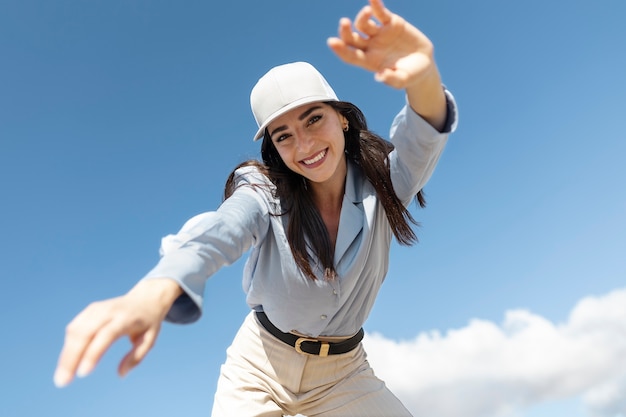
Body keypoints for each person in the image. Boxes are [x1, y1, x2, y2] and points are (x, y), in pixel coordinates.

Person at [54, 0, 458, 415]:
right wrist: (158, 288)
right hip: (260, 366)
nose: (303, 146)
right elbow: (221, 230)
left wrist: (423, 73)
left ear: (343, 119)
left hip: (345, 373)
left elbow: (422, 133)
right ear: (274, 148)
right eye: (283, 136)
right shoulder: (265, 193)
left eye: (313, 119)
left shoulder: (384, 186)